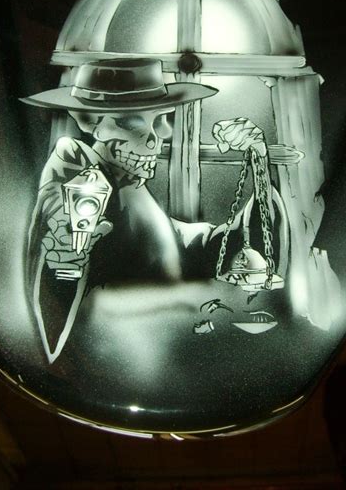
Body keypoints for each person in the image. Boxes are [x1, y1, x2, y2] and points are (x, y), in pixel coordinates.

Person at [22, 58, 272, 361]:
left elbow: (180, 244)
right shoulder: (81, 173)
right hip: (117, 357)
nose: (157, 139)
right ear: (91, 122)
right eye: (132, 122)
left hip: (157, 352)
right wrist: (68, 249)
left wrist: (259, 158)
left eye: (162, 119)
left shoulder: (129, 186)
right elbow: (62, 251)